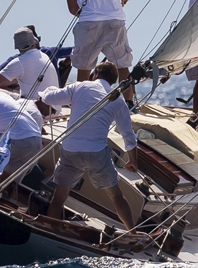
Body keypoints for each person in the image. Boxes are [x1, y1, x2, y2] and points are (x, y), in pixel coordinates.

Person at [41, 61, 138, 230]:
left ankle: (50, 228)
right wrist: (133, 161)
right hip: (96, 153)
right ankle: (132, 231)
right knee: (116, 196)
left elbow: (49, 98)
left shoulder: (80, 86)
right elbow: (128, 135)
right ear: (113, 80)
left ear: (96, 74)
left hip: (70, 149)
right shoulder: (118, 99)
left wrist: (48, 90)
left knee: (59, 196)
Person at [64, 0, 142, 105]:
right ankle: (128, 105)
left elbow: (73, 8)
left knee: (84, 68)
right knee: (122, 66)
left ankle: (82, 106)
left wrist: (88, 15)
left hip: (88, 23)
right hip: (115, 20)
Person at [0, 25, 73, 87]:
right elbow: (77, 51)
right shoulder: (50, 51)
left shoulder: (16, 59)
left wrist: (18, 78)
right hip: (54, 96)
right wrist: (65, 63)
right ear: (35, 40)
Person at [0, 27, 59, 99]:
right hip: (53, 107)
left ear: (17, 46)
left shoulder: (20, 62)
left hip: (33, 106)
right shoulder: (43, 55)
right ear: (34, 42)